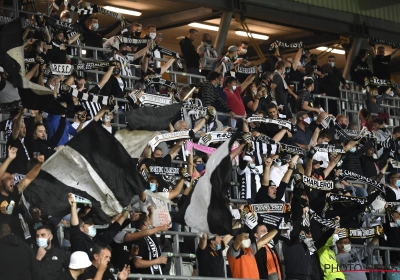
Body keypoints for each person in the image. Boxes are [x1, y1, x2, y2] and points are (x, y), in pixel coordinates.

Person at [0, 149, 44, 238]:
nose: (12, 179)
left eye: (12, 177)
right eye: (8, 178)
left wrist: (39, 165)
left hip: (16, 238)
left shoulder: (14, 193)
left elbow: (28, 178)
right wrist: (9, 159)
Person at [68, 193, 128, 258]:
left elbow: (114, 228)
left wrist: (126, 212)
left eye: (93, 224)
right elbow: (74, 226)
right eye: (90, 224)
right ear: (81, 228)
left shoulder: (98, 240)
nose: (93, 226)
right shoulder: (79, 240)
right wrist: (73, 206)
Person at [6, 107, 30, 174]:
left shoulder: (23, 142)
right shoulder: (13, 140)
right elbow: (16, 128)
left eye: (25, 127)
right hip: (15, 177)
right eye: (21, 127)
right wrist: (21, 113)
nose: (24, 129)